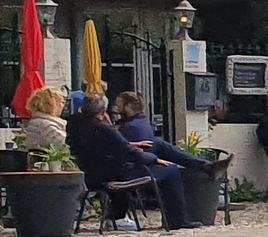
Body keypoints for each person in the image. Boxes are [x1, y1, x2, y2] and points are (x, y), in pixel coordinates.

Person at [66, 95, 200, 229]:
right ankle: (177, 220)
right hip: (116, 175)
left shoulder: (74, 126)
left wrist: (132, 143)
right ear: (102, 111)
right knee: (170, 170)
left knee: (157, 146)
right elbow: (131, 153)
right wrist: (155, 159)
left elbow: (110, 145)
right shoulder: (105, 130)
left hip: (92, 176)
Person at [19, 87, 68, 153]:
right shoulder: (47, 126)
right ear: (51, 104)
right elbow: (65, 145)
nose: (63, 105)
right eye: (61, 102)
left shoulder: (36, 122)